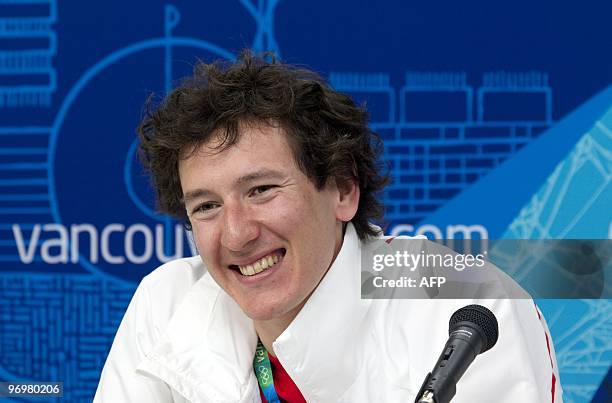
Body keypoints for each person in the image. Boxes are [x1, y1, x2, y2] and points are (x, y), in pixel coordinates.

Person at [94, 52, 562, 402]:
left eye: (261, 191)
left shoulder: (465, 305)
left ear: (342, 190)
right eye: (207, 206)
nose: (236, 234)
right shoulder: (166, 301)